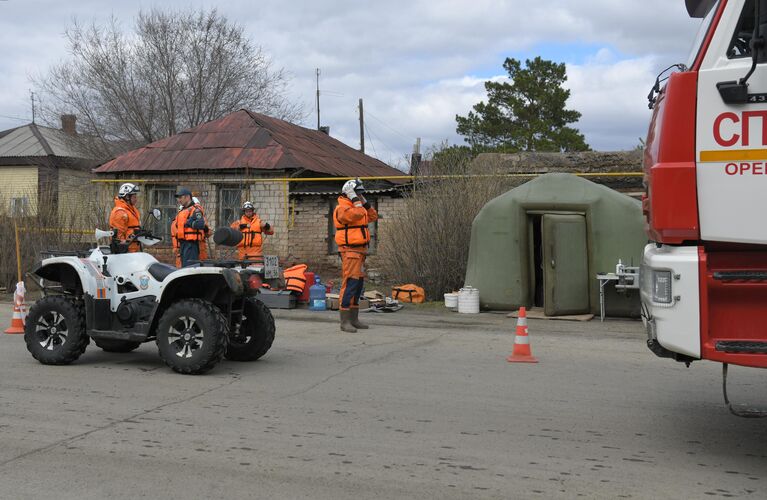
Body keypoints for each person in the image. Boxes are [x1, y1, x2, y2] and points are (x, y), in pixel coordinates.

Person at [333, 178, 378, 332]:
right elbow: (358, 213)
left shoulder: (356, 206)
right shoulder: (342, 208)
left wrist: (363, 200)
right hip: (350, 251)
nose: (359, 196)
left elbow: (372, 216)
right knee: (350, 284)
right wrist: (355, 199)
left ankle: (354, 319)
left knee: (358, 285)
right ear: (349, 193)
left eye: (360, 194)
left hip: (360, 251)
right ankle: (344, 321)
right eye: (357, 193)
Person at [173, 187, 207, 267]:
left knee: (190, 268)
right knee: (184, 268)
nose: (179, 200)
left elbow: (201, 224)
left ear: (188, 197)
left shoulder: (196, 210)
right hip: (183, 244)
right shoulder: (182, 211)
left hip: (191, 245)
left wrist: (189, 223)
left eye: (181, 197)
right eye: (178, 198)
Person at [109, 183, 141, 253]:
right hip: (126, 251)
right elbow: (118, 236)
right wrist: (123, 250)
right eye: (134, 196)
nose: (136, 199)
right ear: (127, 197)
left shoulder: (131, 210)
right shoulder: (120, 212)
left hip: (134, 249)